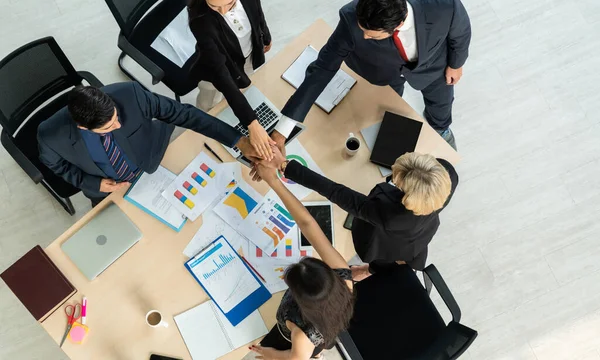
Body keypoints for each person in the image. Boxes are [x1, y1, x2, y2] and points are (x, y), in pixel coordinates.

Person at [271, 0, 471, 151]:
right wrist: (283, 130)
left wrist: (456, 64)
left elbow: (461, 33)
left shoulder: (444, 4)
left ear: (398, 25)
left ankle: (441, 128)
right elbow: (323, 68)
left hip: (433, 68)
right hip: (382, 72)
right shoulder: (351, 19)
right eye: (363, 31)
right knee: (390, 109)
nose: (364, 37)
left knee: (442, 103)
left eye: (371, 35)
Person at [37, 81, 258, 207]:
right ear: (83, 127)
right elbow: (58, 167)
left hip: (153, 159)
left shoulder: (130, 94)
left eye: (115, 117)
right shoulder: (50, 137)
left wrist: (238, 140)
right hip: (108, 192)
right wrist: (93, 184)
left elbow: (184, 114)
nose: (118, 125)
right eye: (107, 128)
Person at [253, 149, 458, 275]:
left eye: (397, 181)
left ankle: (369, 270)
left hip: (386, 246)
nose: (393, 179)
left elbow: (336, 192)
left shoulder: (389, 214)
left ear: (409, 197)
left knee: (379, 258)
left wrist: (283, 165)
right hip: (420, 236)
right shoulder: (445, 177)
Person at [248, 160, 354, 359]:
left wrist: (272, 355)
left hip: (297, 346)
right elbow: (307, 223)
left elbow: (297, 358)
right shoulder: (343, 276)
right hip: (327, 328)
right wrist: (274, 181)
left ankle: (317, 355)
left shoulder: (300, 330)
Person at [188, 0, 275, 160]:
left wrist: (265, 35)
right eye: (215, 6)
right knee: (210, 104)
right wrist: (251, 122)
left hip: (247, 55)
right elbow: (221, 73)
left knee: (244, 84)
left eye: (230, 3)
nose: (224, 11)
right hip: (215, 69)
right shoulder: (200, 19)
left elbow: (257, 11)